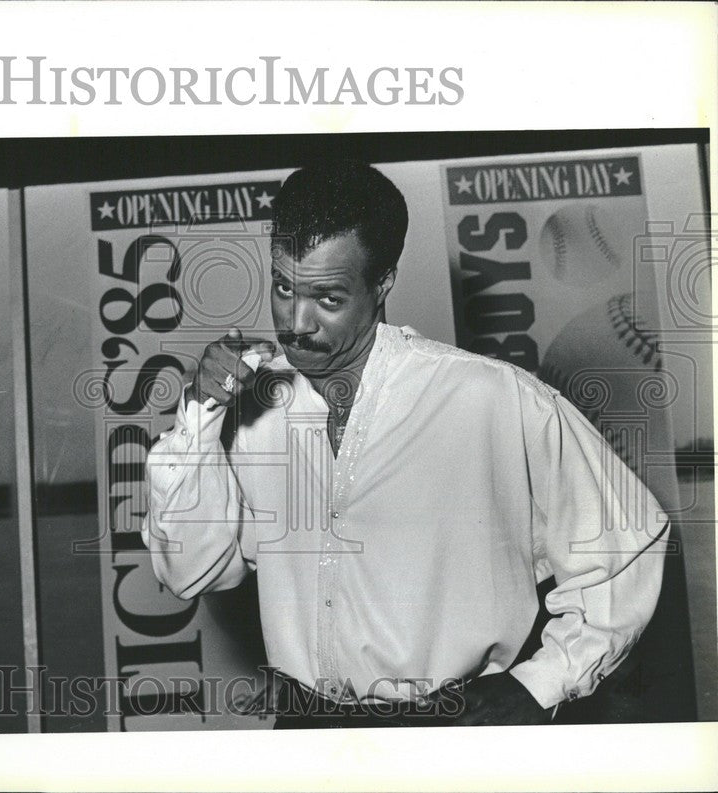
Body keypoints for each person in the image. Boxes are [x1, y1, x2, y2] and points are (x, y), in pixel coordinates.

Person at [141, 159, 670, 728]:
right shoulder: (250, 405)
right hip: (309, 730)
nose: (296, 323)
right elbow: (190, 572)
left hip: (451, 730)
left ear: (383, 282)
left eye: (329, 299)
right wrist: (200, 414)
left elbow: (625, 545)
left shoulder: (490, 398)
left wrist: (540, 684)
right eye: (284, 286)